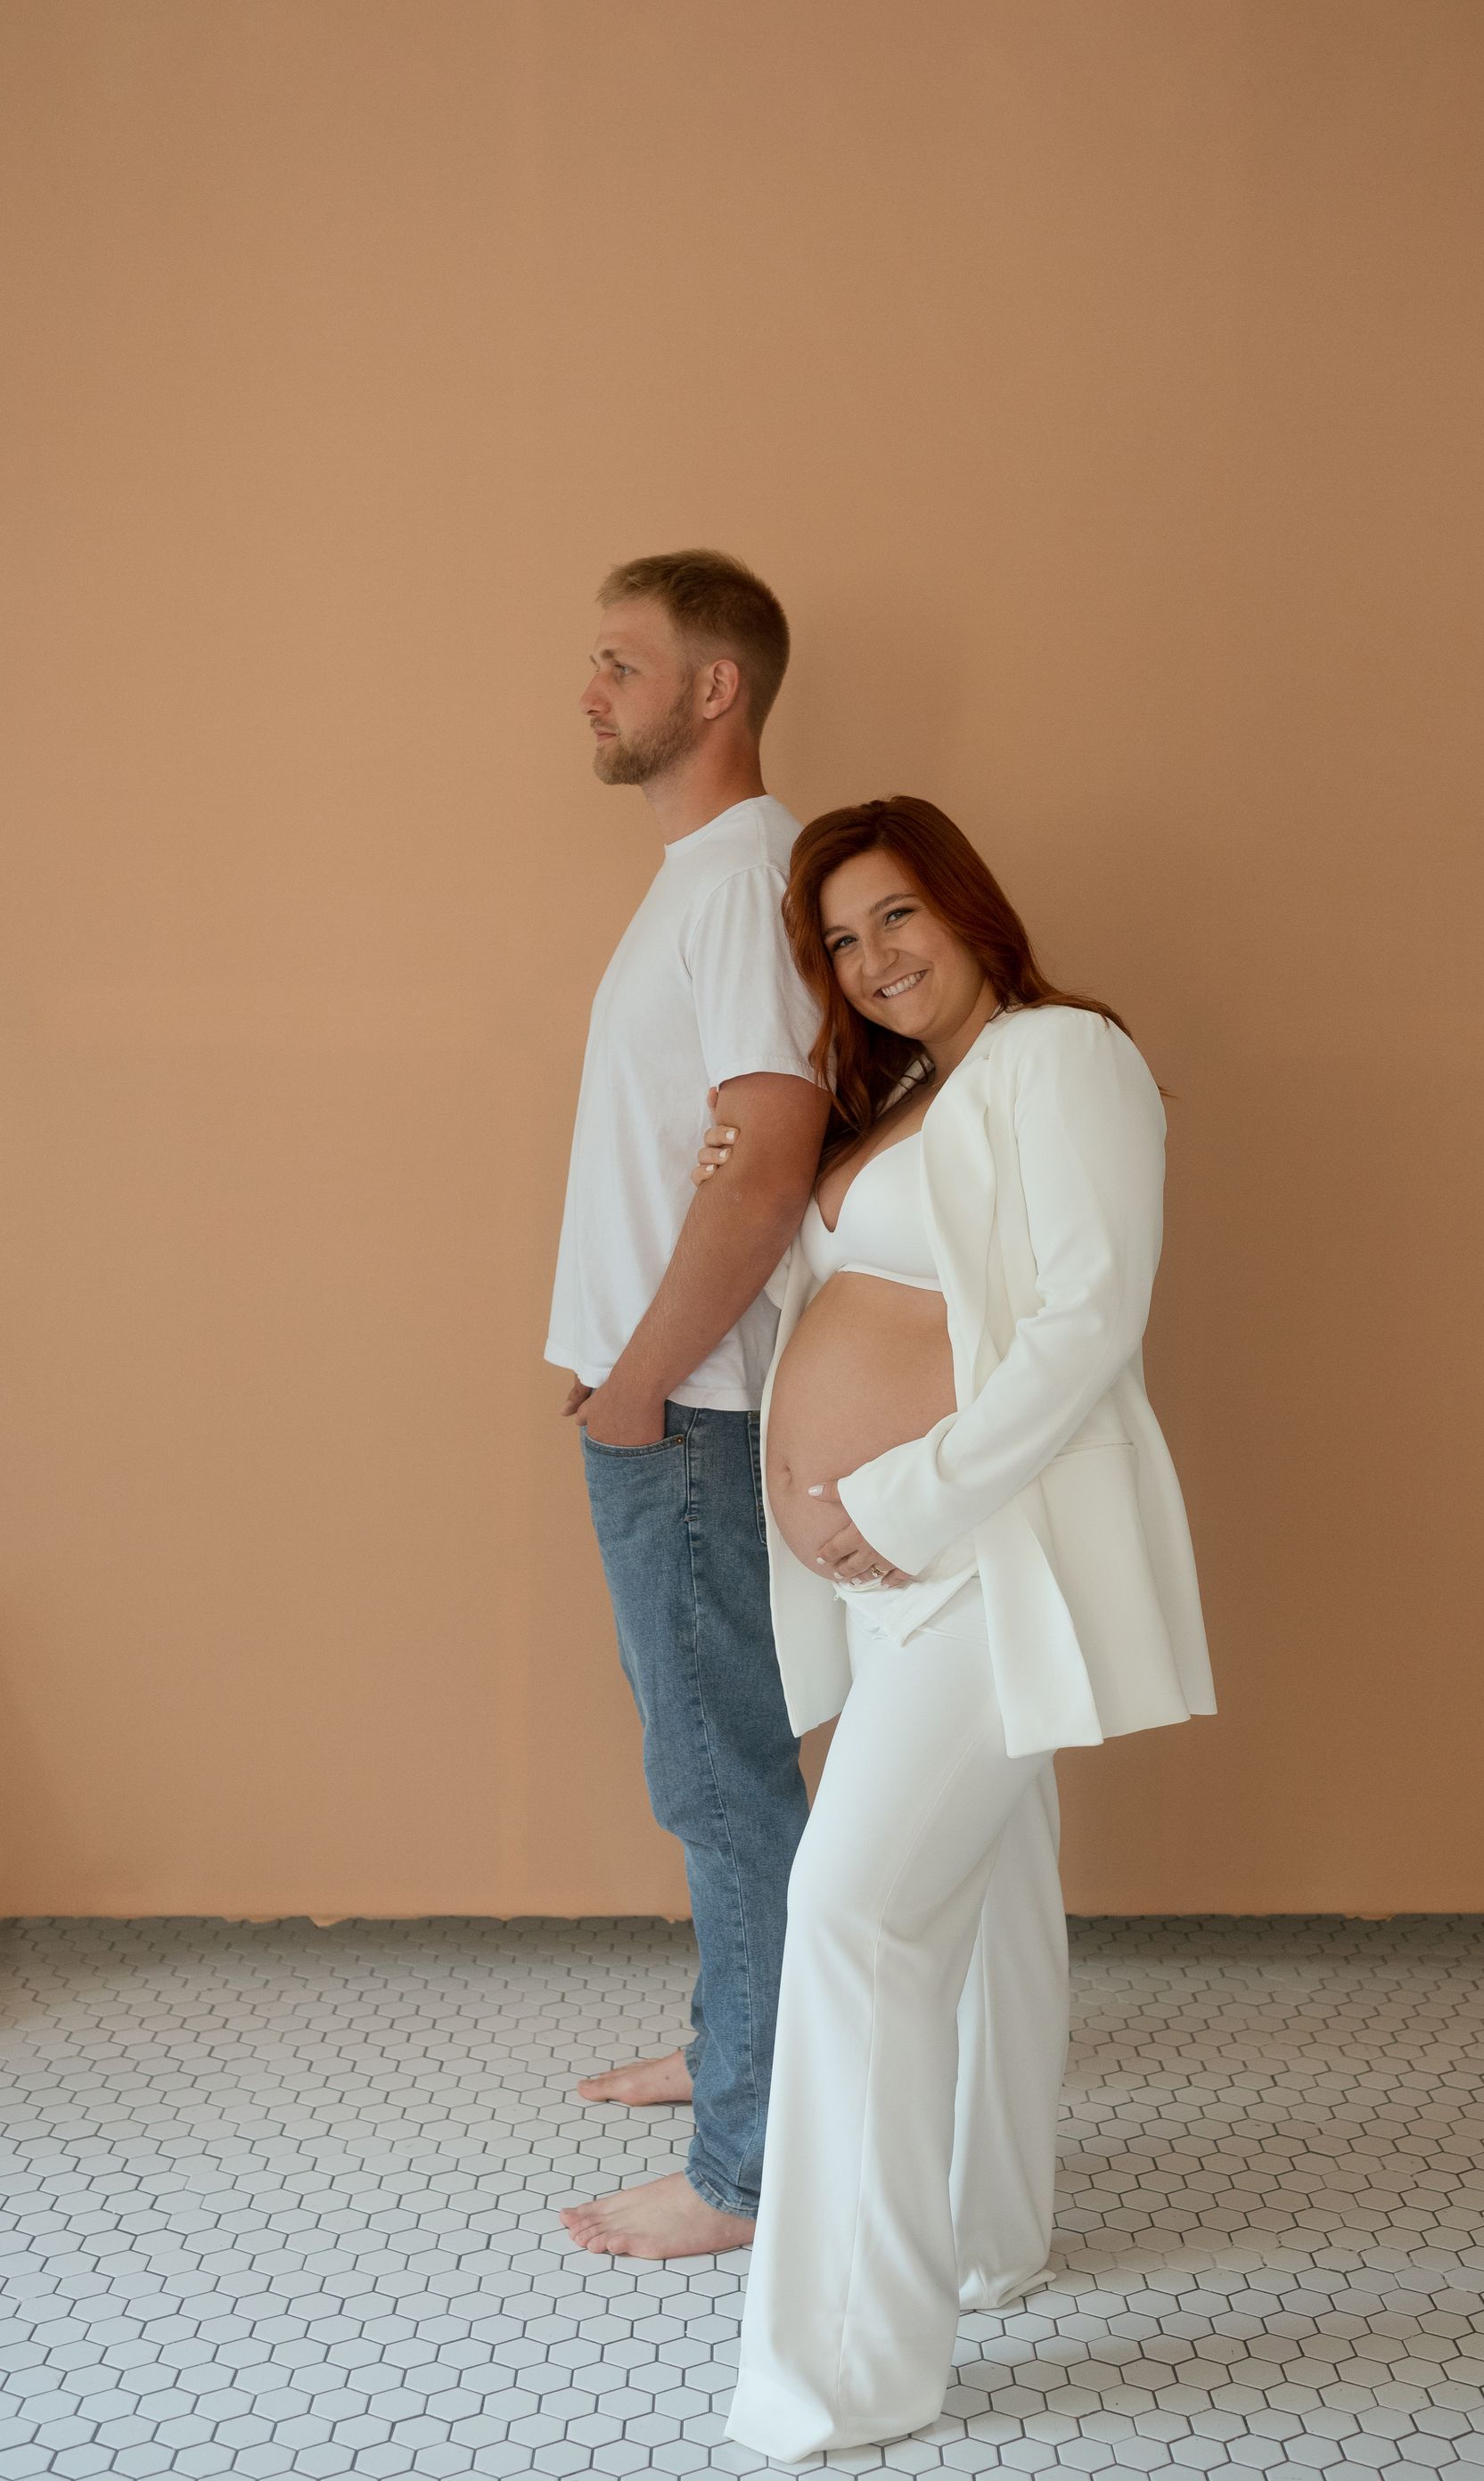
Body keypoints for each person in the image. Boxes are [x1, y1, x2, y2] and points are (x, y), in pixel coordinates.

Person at [689, 795, 1218, 2460]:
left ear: (970, 905)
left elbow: (1085, 1324)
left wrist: (899, 1499)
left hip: (993, 1561)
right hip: (897, 1582)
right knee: (981, 1909)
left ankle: (846, 2370)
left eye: (896, 915)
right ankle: (988, 2238)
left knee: (855, 1915)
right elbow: (870, 1294)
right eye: (841, 942)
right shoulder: (913, 1096)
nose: (872, 959)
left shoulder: (1064, 1057)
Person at [548, 550, 830, 2259]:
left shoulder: (741, 881)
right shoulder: (704, 880)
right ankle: (740, 2054)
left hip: (693, 1415)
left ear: (713, 688)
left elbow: (770, 1151)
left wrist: (639, 1386)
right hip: (666, 1407)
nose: (589, 690)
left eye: (619, 662)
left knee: (726, 1786)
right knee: (713, 1776)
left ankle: (750, 2167)